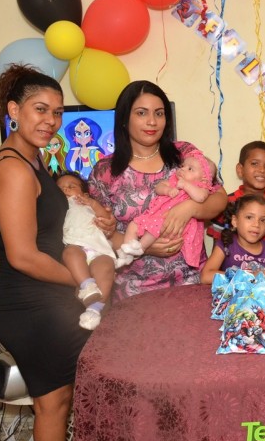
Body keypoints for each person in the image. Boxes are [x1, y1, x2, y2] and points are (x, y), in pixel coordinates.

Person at [0, 65, 92, 441]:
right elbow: (24, 256)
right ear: (14, 110)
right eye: (40, 109)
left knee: (61, 398)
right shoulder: (13, 169)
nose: (51, 121)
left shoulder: (34, 159)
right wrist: (83, 282)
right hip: (27, 303)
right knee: (53, 403)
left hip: (48, 294)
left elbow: (52, 230)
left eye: (57, 112)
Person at [88, 80, 227, 300]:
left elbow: (220, 198)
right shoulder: (105, 171)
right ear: (124, 118)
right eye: (141, 113)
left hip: (191, 283)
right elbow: (98, 233)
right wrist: (144, 247)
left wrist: (190, 208)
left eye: (159, 113)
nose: (152, 121)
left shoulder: (185, 154)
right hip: (134, 292)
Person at [207, 141, 265, 276]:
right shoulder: (224, 203)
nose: (262, 170)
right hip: (236, 281)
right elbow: (217, 251)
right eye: (254, 163)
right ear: (240, 169)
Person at [117, 150, 217, 268]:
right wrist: (167, 190)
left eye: (190, 169)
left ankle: (140, 248)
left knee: (154, 228)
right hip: (154, 216)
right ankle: (126, 252)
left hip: (170, 222)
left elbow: (201, 198)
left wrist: (186, 185)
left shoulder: (201, 187)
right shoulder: (174, 181)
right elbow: (158, 187)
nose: (183, 169)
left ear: (204, 179)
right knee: (133, 225)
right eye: (183, 166)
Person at [56, 171, 116, 331]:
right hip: (75, 246)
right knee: (70, 253)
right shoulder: (59, 207)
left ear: (85, 194)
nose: (65, 190)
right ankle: (87, 285)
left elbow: (105, 218)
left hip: (97, 248)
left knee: (106, 265)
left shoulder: (88, 204)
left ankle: (95, 309)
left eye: (71, 187)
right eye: (60, 188)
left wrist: (93, 204)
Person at [201, 194, 265, 284]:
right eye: (249, 217)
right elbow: (205, 276)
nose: (256, 224)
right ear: (235, 221)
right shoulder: (226, 244)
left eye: (263, 220)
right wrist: (246, 276)